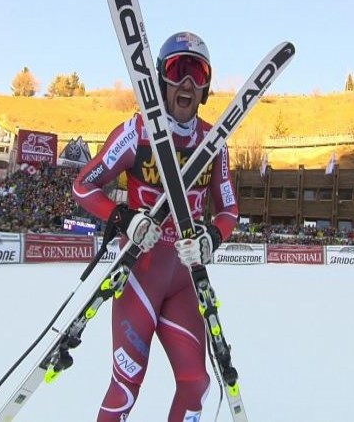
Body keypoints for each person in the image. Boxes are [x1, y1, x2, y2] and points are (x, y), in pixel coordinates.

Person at [73, 31, 239, 421]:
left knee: (196, 383)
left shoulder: (214, 144)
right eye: (177, 70)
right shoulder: (136, 132)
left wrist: (211, 238)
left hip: (183, 279)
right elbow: (83, 186)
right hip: (139, 276)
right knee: (126, 383)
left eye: (197, 73)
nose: (187, 82)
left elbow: (229, 210)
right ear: (161, 80)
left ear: (206, 88)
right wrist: (125, 220)